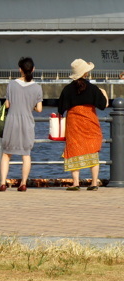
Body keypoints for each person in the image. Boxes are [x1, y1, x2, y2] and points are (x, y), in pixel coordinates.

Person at [58, 58, 108, 190]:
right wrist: (104, 93)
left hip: (74, 123)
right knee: (92, 150)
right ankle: (94, 183)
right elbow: (103, 105)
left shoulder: (67, 89)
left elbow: (60, 109)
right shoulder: (93, 88)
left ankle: (75, 183)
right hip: (90, 122)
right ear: (85, 73)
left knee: (74, 150)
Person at [0, 57, 44, 191]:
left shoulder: (11, 85)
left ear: (20, 69)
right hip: (27, 123)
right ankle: (23, 183)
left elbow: (7, 104)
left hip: (12, 121)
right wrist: (31, 106)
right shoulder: (37, 88)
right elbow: (39, 109)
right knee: (26, 154)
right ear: (33, 69)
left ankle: (3, 183)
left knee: (6, 154)